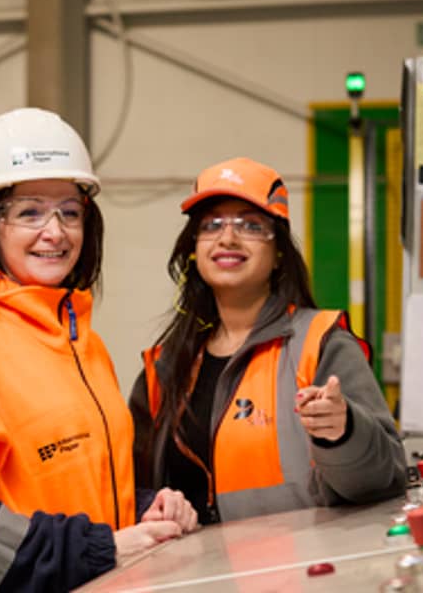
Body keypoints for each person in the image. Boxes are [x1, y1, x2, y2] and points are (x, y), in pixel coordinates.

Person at [0, 108, 197, 592]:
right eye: (29, 212)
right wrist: (101, 550)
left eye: (70, 212)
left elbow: (78, 490)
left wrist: (144, 508)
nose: (55, 232)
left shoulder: (86, 346)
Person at [130, 157, 407, 526]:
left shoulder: (321, 344)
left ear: (278, 253)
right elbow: (133, 488)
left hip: (305, 560)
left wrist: (344, 433)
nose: (227, 238)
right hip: (191, 562)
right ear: (194, 249)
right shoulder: (164, 367)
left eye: (251, 225)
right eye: (211, 225)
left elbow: (384, 480)